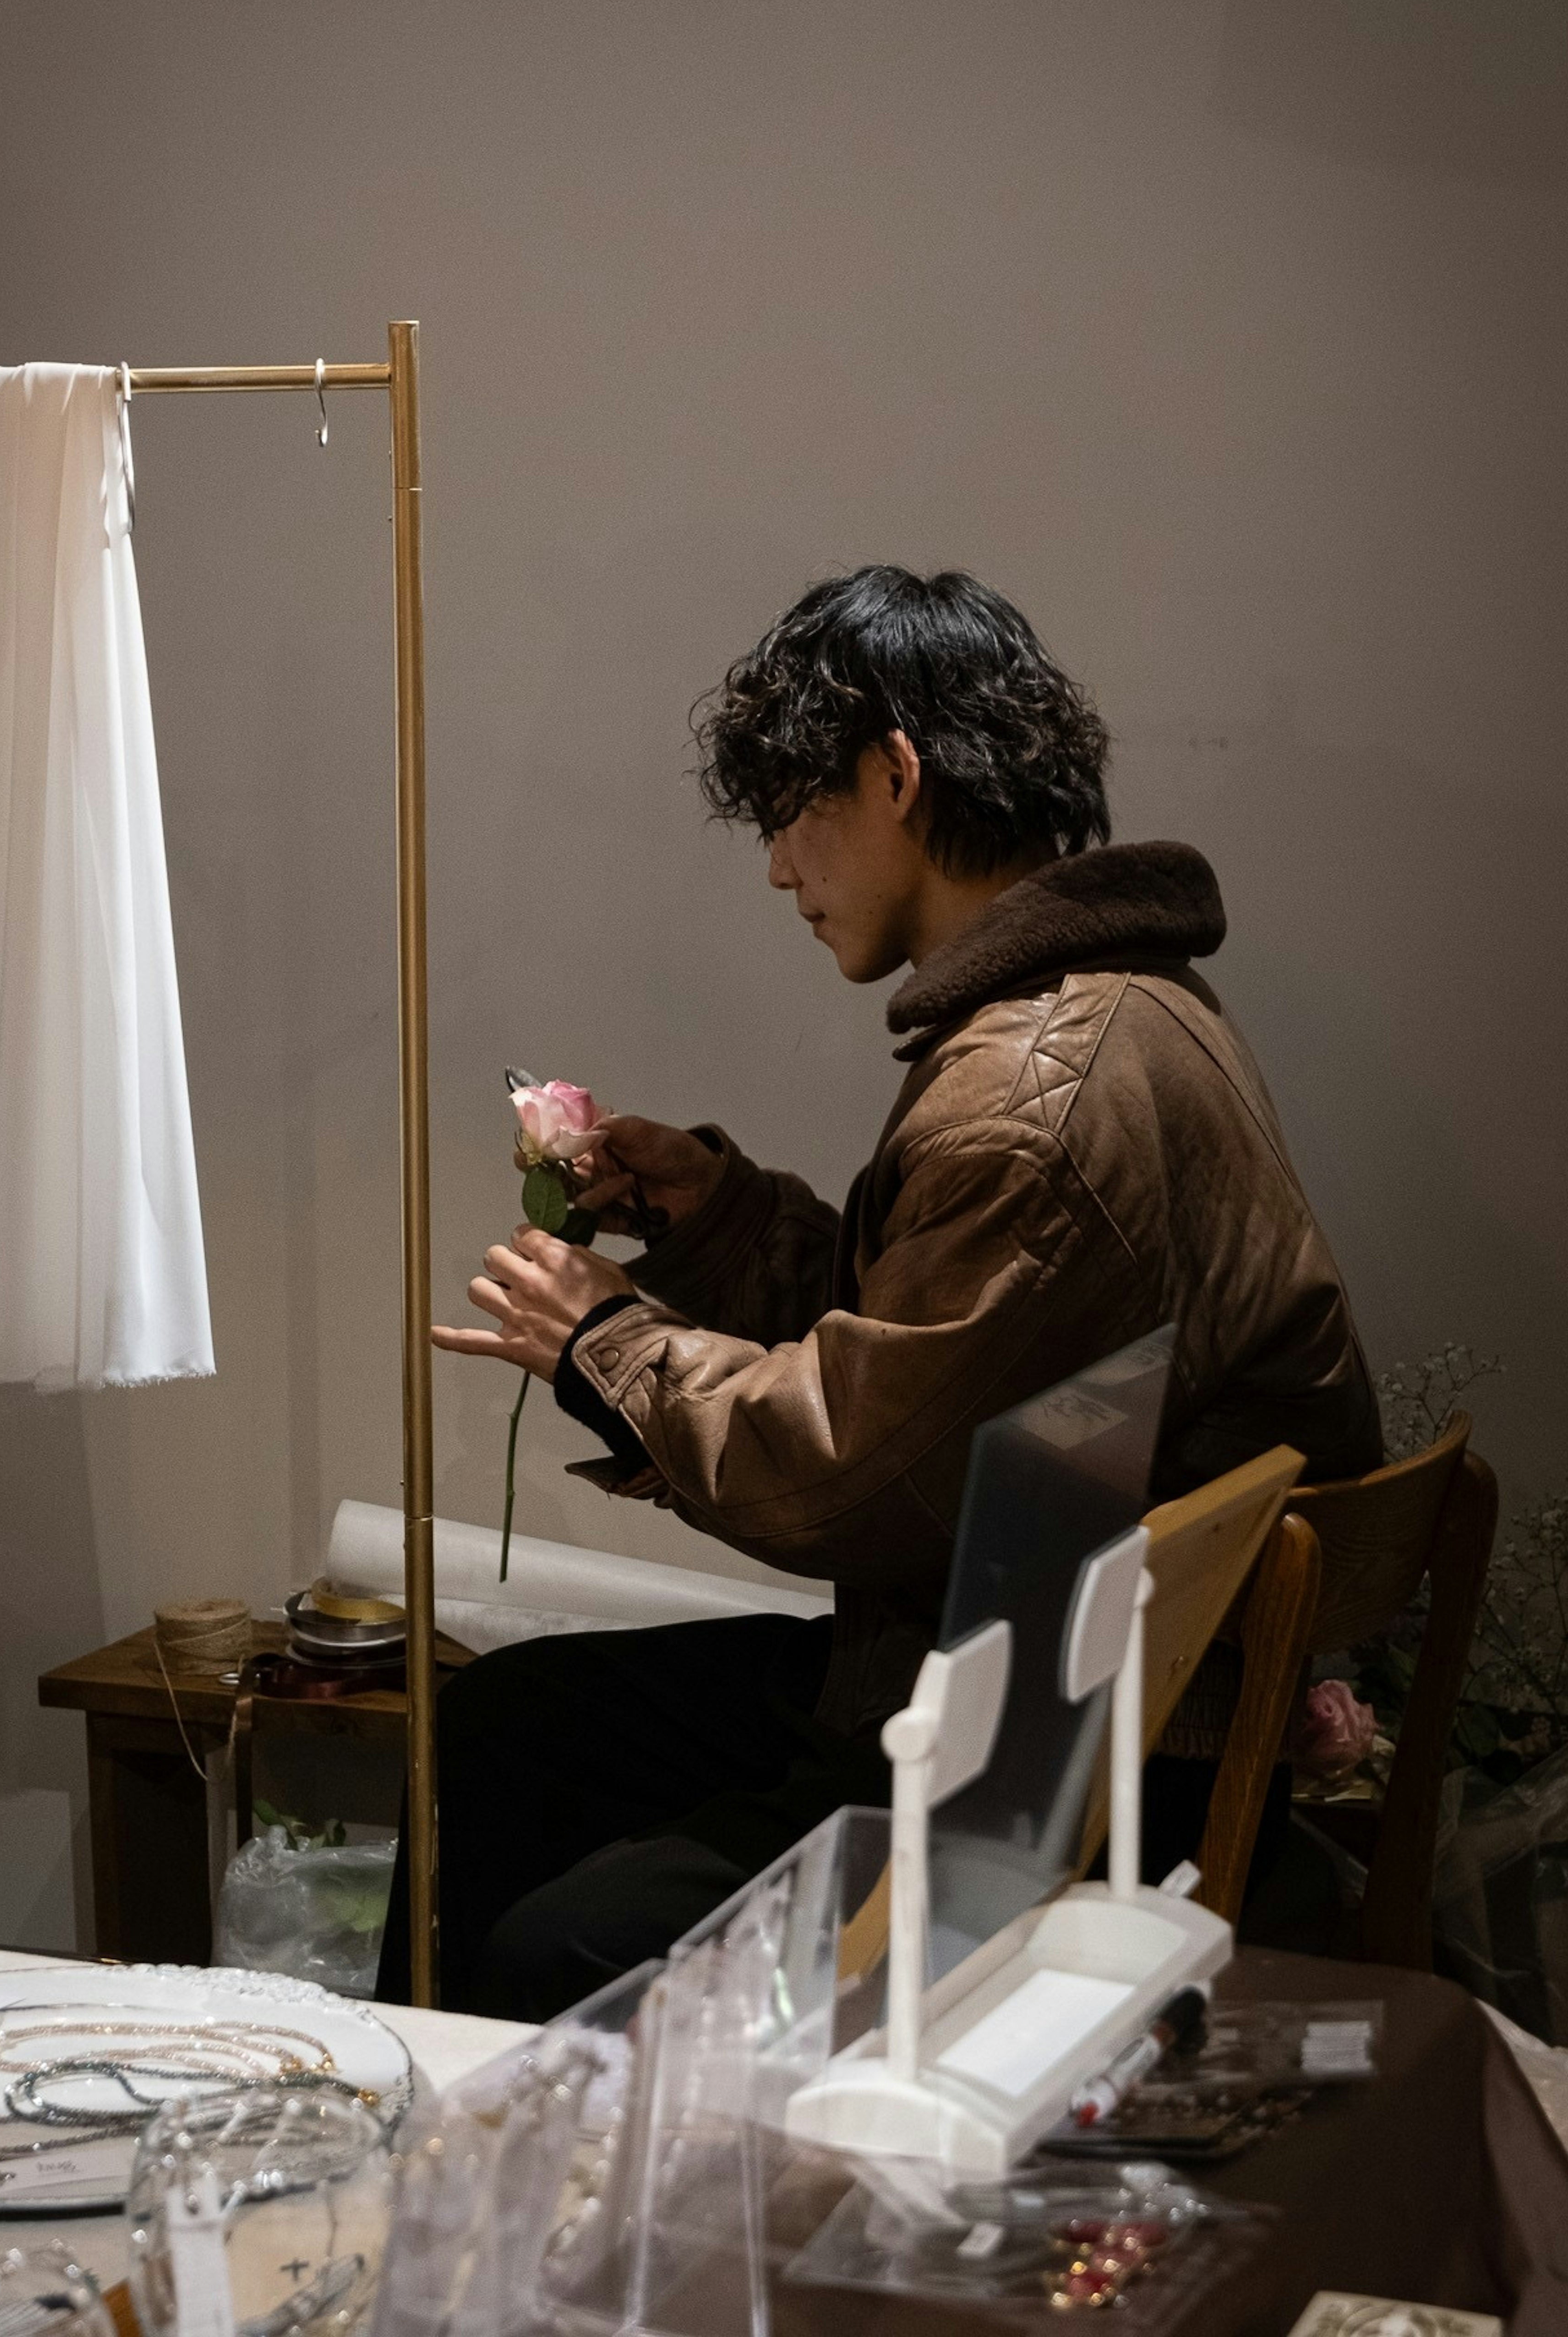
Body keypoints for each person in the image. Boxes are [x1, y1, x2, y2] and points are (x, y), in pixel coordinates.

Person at [376, 566, 1379, 2015]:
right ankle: (460, 2153)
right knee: (508, 1722)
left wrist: (605, 1340)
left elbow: (858, 1472)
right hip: (1046, 1673)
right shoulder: (1121, 1011)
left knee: (556, 1942)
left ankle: (546, 2203)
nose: (782, 867)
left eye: (795, 813)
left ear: (894, 774)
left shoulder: (1033, 1093)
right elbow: (937, 1348)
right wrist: (716, 1217)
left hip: (1063, 1750)